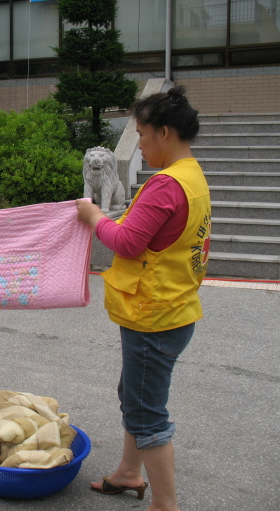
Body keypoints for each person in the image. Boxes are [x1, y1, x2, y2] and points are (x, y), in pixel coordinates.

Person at [76, 86, 211, 511]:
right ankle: (129, 473)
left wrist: (94, 215)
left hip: (153, 314)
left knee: (147, 411)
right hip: (173, 309)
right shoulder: (193, 178)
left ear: (165, 132)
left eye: (142, 135)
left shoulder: (164, 186)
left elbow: (128, 242)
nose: (142, 145)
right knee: (135, 394)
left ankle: (165, 504)